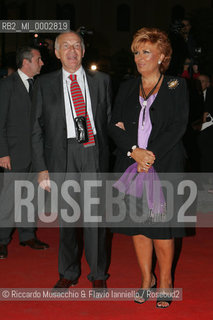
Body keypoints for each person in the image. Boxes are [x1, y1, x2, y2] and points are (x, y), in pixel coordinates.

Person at [109, 27, 189, 308]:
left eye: (146, 52)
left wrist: (149, 155)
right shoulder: (127, 86)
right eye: (136, 52)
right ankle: (146, 279)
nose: (139, 58)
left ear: (162, 56)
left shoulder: (176, 85)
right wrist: (134, 152)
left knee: (161, 229)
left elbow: (178, 127)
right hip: (132, 166)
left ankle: (165, 280)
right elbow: (113, 124)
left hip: (163, 166)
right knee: (138, 228)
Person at [31, 31, 112, 289]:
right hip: (61, 156)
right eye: (66, 46)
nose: (72, 51)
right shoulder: (43, 84)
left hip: (93, 152)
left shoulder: (102, 81)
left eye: (77, 46)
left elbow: (109, 122)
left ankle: (98, 275)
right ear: (56, 53)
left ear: (84, 51)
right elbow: (35, 129)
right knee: (67, 219)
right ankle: (68, 271)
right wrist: (42, 167)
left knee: (95, 219)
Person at [0, 46, 49, 259]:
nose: (42, 63)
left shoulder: (38, 85)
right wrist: (3, 152)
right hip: (13, 153)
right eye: (38, 59)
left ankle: (27, 235)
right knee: (9, 199)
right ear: (26, 62)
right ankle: (1, 240)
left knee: (31, 197)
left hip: (36, 154)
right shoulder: (6, 85)